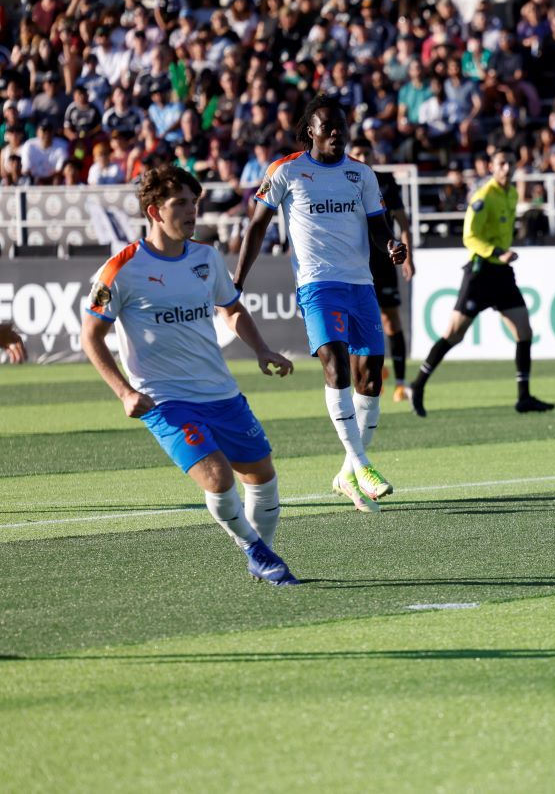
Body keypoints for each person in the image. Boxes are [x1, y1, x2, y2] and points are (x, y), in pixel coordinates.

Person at [82, 166, 298, 584]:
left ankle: (263, 555)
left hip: (221, 393)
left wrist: (262, 348)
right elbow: (90, 336)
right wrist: (124, 392)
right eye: (179, 203)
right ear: (154, 211)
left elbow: (230, 309)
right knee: (217, 478)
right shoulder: (120, 268)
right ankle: (253, 549)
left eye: (194, 203)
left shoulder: (206, 257)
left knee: (263, 478)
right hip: (165, 400)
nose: (191, 211)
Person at [234, 94, 406, 513]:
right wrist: (237, 278)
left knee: (371, 381)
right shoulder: (287, 170)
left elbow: (378, 226)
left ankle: (346, 473)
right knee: (334, 363)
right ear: (309, 130)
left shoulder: (361, 174)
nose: (336, 132)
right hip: (317, 284)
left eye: (342, 125)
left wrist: (391, 247)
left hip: (360, 285)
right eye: (327, 125)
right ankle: (364, 465)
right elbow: (257, 226)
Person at [409, 150, 554, 417]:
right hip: (481, 272)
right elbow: (470, 237)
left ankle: (524, 397)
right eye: (501, 164)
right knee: (454, 334)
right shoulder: (483, 196)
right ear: (491, 167)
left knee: (524, 330)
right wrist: (499, 252)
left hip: (502, 273)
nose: (507, 168)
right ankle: (417, 385)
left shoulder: (511, 193)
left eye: (510, 163)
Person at [347, 139, 414, 402]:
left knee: (390, 318)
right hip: (355, 259)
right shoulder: (344, 181)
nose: (363, 156)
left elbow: (403, 222)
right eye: (358, 153)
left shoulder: (385, 181)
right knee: (358, 319)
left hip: (384, 259)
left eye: (366, 152)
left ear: (373, 155)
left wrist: (408, 256)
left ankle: (400, 382)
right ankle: (372, 373)